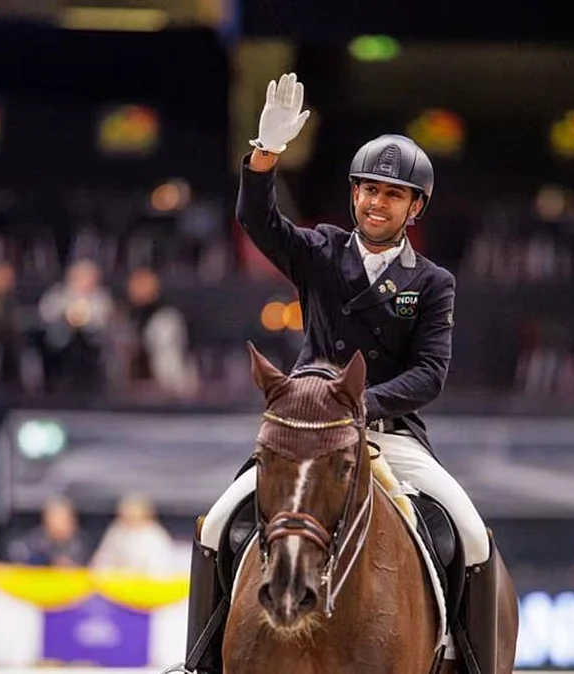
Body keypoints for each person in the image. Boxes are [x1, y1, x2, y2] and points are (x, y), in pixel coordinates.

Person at [178, 73, 498, 674]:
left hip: (387, 432)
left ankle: (470, 661)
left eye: (393, 194)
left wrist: (361, 406)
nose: (377, 203)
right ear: (354, 195)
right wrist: (265, 157)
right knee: (219, 521)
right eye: (368, 190)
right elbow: (256, 221)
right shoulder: (321, 251)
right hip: (303, 428)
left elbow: (429, 374)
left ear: (415, 206)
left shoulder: (433, 283)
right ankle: (199, 662)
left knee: (471, 535)